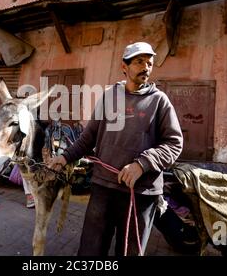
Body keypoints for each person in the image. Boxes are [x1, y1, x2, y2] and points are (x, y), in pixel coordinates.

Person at [48, 42, 183, 256]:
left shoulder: (159, 101)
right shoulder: (109, 96)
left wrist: (142, 164)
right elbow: (89, 136)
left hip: (140, 193)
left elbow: (174, 143)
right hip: (103, 186)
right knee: (91, 251)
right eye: (139, 62)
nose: (146, 67)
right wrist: (65, 157)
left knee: (129, 251)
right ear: (124, 66)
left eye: (149, 63)